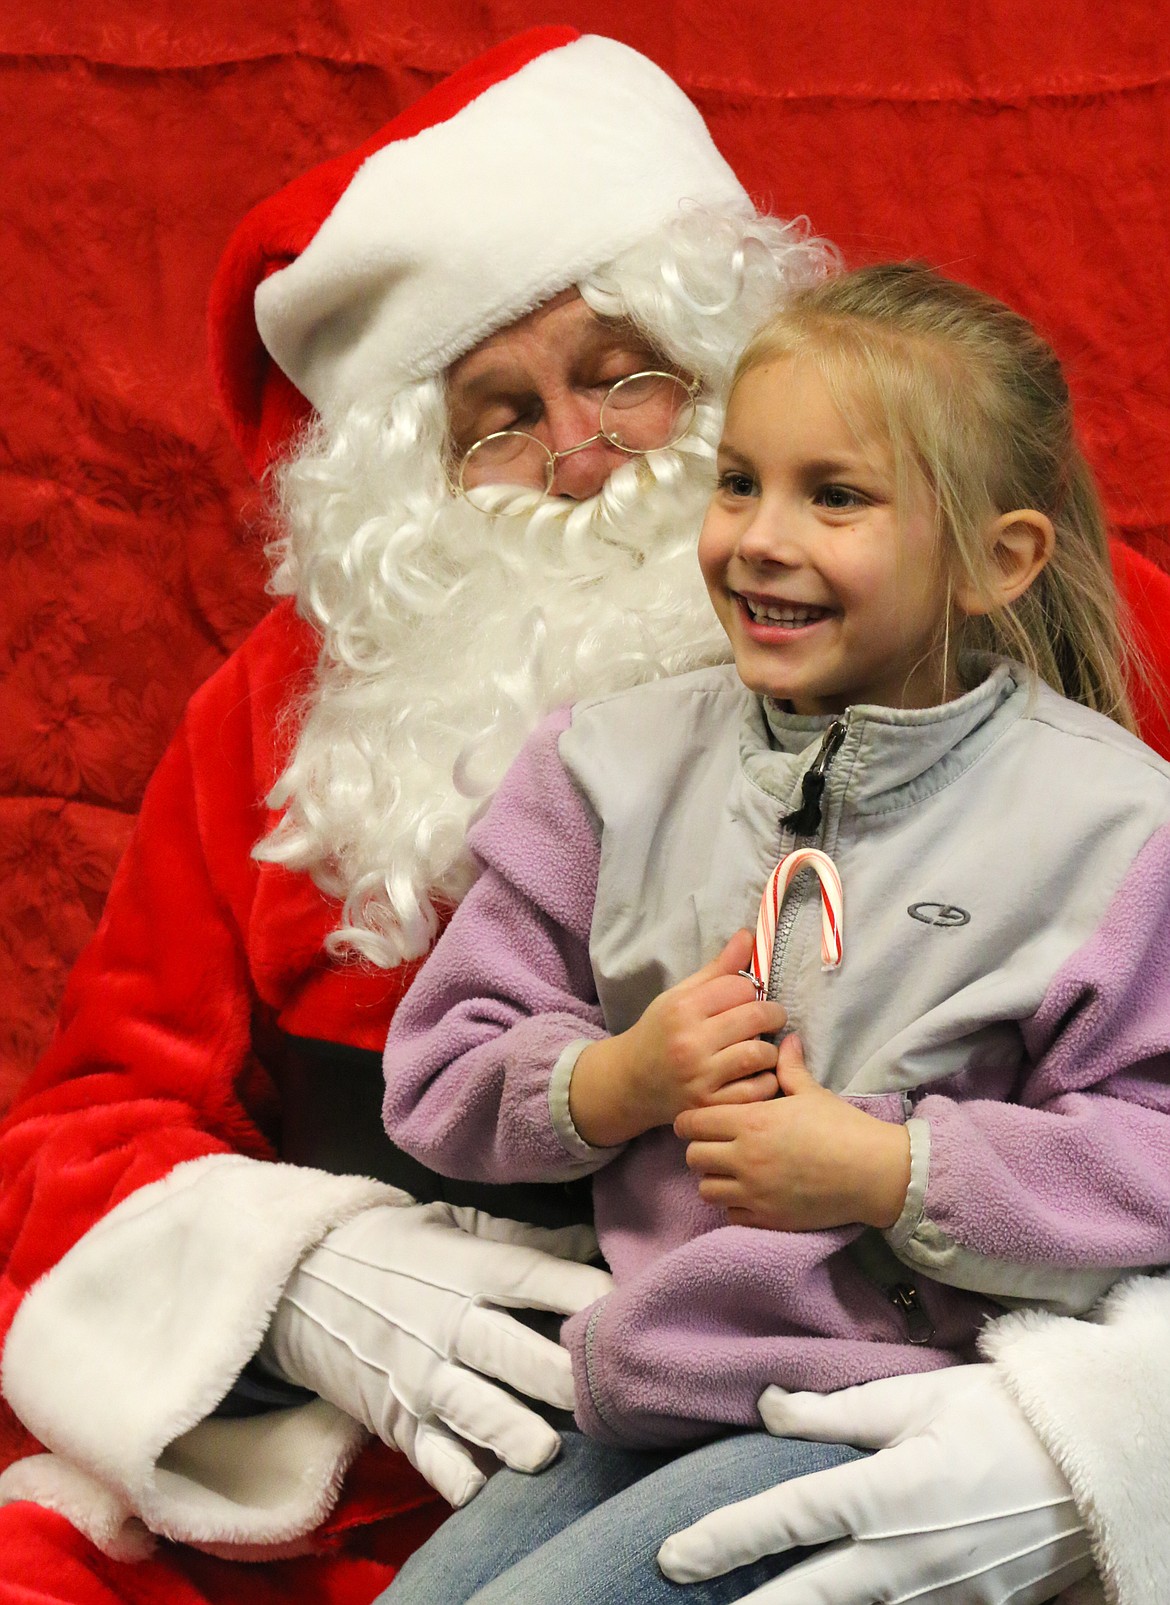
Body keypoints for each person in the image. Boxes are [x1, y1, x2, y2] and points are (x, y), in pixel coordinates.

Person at [0, 29, 1167, 1605]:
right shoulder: (291, 722)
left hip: (908, 1414)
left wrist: (1101, 1441)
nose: (577, 454)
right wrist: (283, 1275)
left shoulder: (1064, 670)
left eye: (627, 374)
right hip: (393, 1469)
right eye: (494, 416)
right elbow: (87, 1118)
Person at [379, 263, 1170, 1604]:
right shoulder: (602, 769)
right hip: (629, 1381)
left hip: (889, 1410)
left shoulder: (1112, 829)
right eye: (738, 480)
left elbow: (1146, 1158)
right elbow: (438, 1073)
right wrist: (614, 1079)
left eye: (835, 495)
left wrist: (888, 1170)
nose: (756, 535)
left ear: (999, 558)